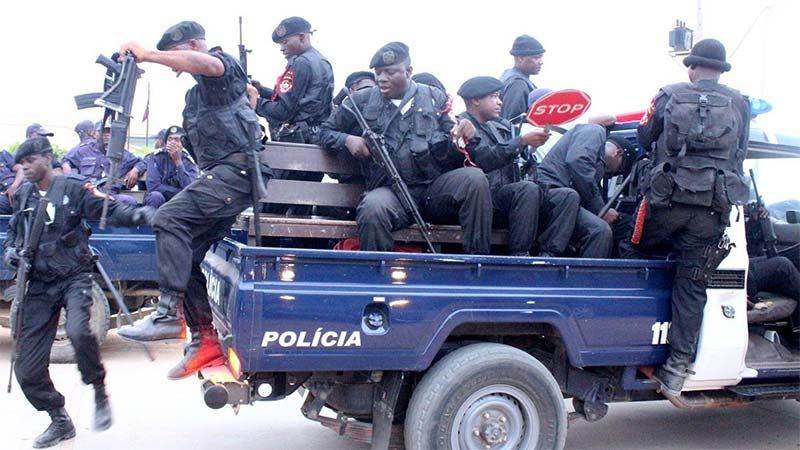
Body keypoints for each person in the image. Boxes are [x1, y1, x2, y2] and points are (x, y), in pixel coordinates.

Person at [117, 20, 273, 378]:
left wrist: (149, 55)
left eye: (176, 58)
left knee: (168, 218)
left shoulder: (221, 63)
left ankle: (168, 314)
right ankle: (204, 341)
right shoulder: (196, 97)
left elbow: (208, 65)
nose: (174, 67)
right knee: (183, 254)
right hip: (219, 178)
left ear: (191, 45)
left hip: (237, 175)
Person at [3, 137, 154, 448]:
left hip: (73, 275)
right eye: (22, 164)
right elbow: (14, 236)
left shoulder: (73, 187)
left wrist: (143, 215)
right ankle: (59, 418)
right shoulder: (25, 195)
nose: (25, 168)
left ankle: (98, 388)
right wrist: (11, 254)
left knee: (78, 332)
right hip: (39, 284)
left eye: (30, 161)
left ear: (46, 157)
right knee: (26, 369)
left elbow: (107, 209)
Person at [634, 39, 750, 396]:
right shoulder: (740, 103)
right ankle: (677, 367)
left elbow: (643, 136)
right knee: (691, 285)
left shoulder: (668, 95)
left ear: (691, 67)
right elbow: (741, 152)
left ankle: (630, 344)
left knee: (634, 253)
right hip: (710, 210)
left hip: (665, 204)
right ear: (721, 70)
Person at [318, 42, 492, 254]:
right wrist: (347, 139)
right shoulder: (361, 100)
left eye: (390, 72)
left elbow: (452, 137)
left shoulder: (434, 97)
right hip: (391, 193)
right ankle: (378, 280)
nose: (382, 78)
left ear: (409, 71)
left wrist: (464, 135)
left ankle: (477, 266)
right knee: (373, 207)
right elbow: (325, 131)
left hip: (432, 189)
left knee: (474, 179)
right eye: (379, 73)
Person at [457, 76, 580, 256]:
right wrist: (520, 142)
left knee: (567, 196)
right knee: (527, 190)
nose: (500, 102)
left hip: (512, 196)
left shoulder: (499, 127)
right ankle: (520, 256)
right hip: (485, 201)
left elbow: (517, 164)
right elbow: (483, 159)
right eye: (493, 97)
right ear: (475, 100)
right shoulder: (462, 125)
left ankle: (548, 257)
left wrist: (529, 149)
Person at [536, 124, 633, 258]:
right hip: (551, 193)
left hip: (563, 200)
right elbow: (578, 161)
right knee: (599, 230)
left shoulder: (595, 159)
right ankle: (586, 278)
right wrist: (601, 210)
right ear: (618, 153)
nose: (612, 174)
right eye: (619, 170)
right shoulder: (595, 131)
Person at [255, 16, 334, 144]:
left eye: (285, 42)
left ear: (302, 37)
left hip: (302, 140)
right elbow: (302, 99)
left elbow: (283, 111)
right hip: (317, 132)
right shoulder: (320, 60)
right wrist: (262, 91)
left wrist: (254, 102)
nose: (281, 48)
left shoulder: (301, 63)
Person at [61, 121, 141, 206]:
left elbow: (141, 162)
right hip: (88, 195)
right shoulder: (84, 150)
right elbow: (65, 160)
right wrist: (70, 177)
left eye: (110, 132)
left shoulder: (122, 154)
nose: (106, 135)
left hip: (110, 197)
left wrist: (135, 170)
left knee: (129, 201)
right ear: (95, 134)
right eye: (103, 132)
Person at [142, 126, 198, 209]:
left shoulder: (189, 161)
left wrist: (178, 162)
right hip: (161, 199)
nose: (172, 143)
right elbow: (153, 186)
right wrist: (179, 193)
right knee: (155, 196)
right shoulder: (156, 157)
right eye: (170, 139)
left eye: (176, 140)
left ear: (183, 143)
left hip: (181, 202)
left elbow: (190, 187)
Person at [500, 35, 545, 121]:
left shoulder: (509, 76)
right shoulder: (517, 83)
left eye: (541, 57)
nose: (541, 62)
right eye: (536, 57)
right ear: (520, 58)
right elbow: (513, 123)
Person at [0, 148, 24, 214]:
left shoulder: (3, 155)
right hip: (4, 198)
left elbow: (21, 169)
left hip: (19, 187)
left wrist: (14, 186)